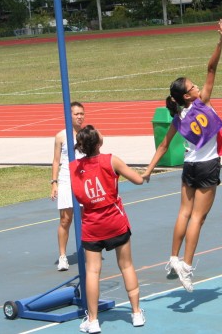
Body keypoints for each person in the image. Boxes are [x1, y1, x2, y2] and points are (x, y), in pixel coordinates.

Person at [142, 20, 222, 293]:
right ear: (188, 95)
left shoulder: (177, 118)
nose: (197, 87)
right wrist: (220, 42)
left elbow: (162, 148)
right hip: (207, 166)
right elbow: (212, 68)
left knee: (183, 212)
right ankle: (186, 266)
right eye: (192, 86)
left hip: (190, 166)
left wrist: (148, 170)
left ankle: (172, 258)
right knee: (198, 219)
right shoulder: (202, 102)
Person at [70, 125, 145, 333]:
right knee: (127, 266)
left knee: (92, 272)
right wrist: (144, 174)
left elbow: (79, 197)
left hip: (92, 224)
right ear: (99, 143)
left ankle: (93, 321)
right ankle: (136, 313)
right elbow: (138, 179)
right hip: (114, 221)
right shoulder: (111, 160)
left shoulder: (74, 167)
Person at [51, 101, 85, 271]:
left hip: (83, 180)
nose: (80, 117)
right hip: (66, 180)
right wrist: (54, 183)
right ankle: (63, 256)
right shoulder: (61, 136)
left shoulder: (87, 134)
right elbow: (56, 161)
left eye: (82, 114)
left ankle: (87, 250)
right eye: (76, 114)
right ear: (69, 115)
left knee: (86, 218)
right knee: (66, 219)